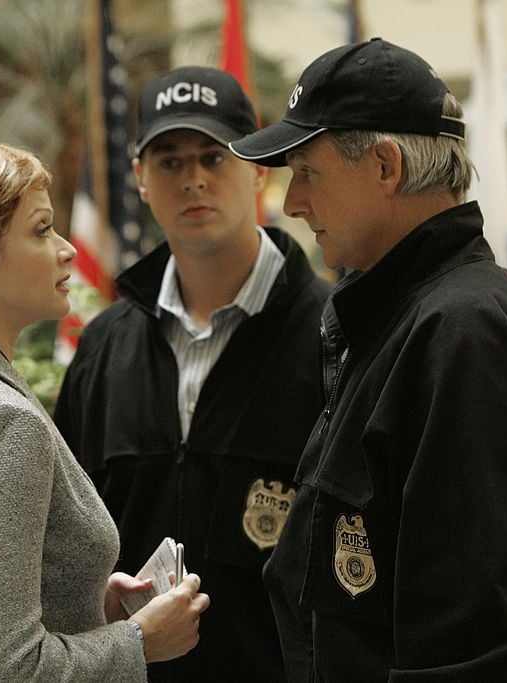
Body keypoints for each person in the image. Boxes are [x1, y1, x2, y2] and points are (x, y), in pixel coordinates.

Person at [229, 38, 507, 681]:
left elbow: (472, 647)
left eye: (307, 171)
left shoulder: (465, 335)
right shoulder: (399, 321)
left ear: (385, 166)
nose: (292, 203)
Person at [0, 137, 209, 681]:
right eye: (40, 229)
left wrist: (86, 602)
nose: (67, 248)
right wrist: (139, 641)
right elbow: (7, 671)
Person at [54, 67, 332, 681]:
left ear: (258, 170)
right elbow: (63, 543)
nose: (195, 179)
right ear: (140, 181)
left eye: (215, 156)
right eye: (171, 162)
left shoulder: (335, 337)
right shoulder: (102, 349)